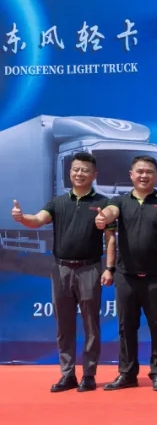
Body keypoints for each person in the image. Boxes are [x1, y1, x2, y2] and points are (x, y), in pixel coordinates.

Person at [11, 152, 114, 392]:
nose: (79, 173)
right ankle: (67, 374)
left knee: (91, 325)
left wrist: (109, 268)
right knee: (64, 326)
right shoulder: (57, 202)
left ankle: (89, 374)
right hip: (61, 269)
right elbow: (37, 219)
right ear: (70, 172)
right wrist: (22, 218)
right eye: (76, 169)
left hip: (89, 268)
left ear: (94, 174)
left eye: (85, 170)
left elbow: (110, 239)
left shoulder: (103, 203)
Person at [94, 155, 157, 392]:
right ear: (131, 175)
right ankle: (127, 373)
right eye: (140, 171)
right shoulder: (120, 201)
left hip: (156, 277)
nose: (144, 176)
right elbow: (110, 212)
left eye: (149, 172)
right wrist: (104, 216)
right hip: (126, 276)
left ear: (156, 176)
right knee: (126, 327)